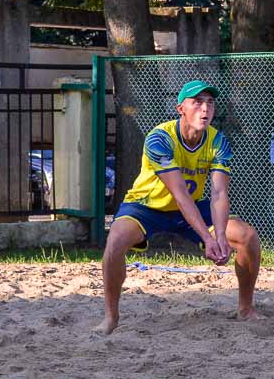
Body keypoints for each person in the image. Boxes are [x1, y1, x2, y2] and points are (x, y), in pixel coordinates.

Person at [95, 80, 263, 335]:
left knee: (246, 236)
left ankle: (246, 308)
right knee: (115, 241)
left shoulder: (218, 141)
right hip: (147, 206)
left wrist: (220, 237)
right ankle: (111, 317)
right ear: (180, 108)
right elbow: (179, 193)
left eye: (210, 102)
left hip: (191, 208)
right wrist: (207, 238)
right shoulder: (159, 138)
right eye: (197, 102)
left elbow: (219, 193)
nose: (205, 109)